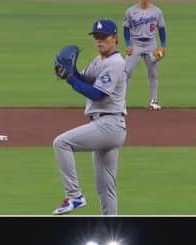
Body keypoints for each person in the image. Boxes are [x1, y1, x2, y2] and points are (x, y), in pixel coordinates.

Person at [52, 19, 127, 216]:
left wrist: (70, 78)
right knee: (105, 187)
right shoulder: (99, 60)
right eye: (96, 37)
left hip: (109, 125)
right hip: (108, 126)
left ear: (115, 38)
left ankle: (74, 195)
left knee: (61, 143)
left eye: (103, 37)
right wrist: (69, 72)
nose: (99, 41)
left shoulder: (116, 63)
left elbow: (97, 94)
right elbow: (84, 80)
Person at [123, 0, 167, 110]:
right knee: (126, 71)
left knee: (153, 73)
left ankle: (153, 101)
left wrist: (163, 45)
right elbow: (126, 28)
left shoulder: (157, 11)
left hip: (151, 45)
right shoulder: (130, 11)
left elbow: (161, 28)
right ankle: (120, 101)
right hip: (135, 44)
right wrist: (128, 44)